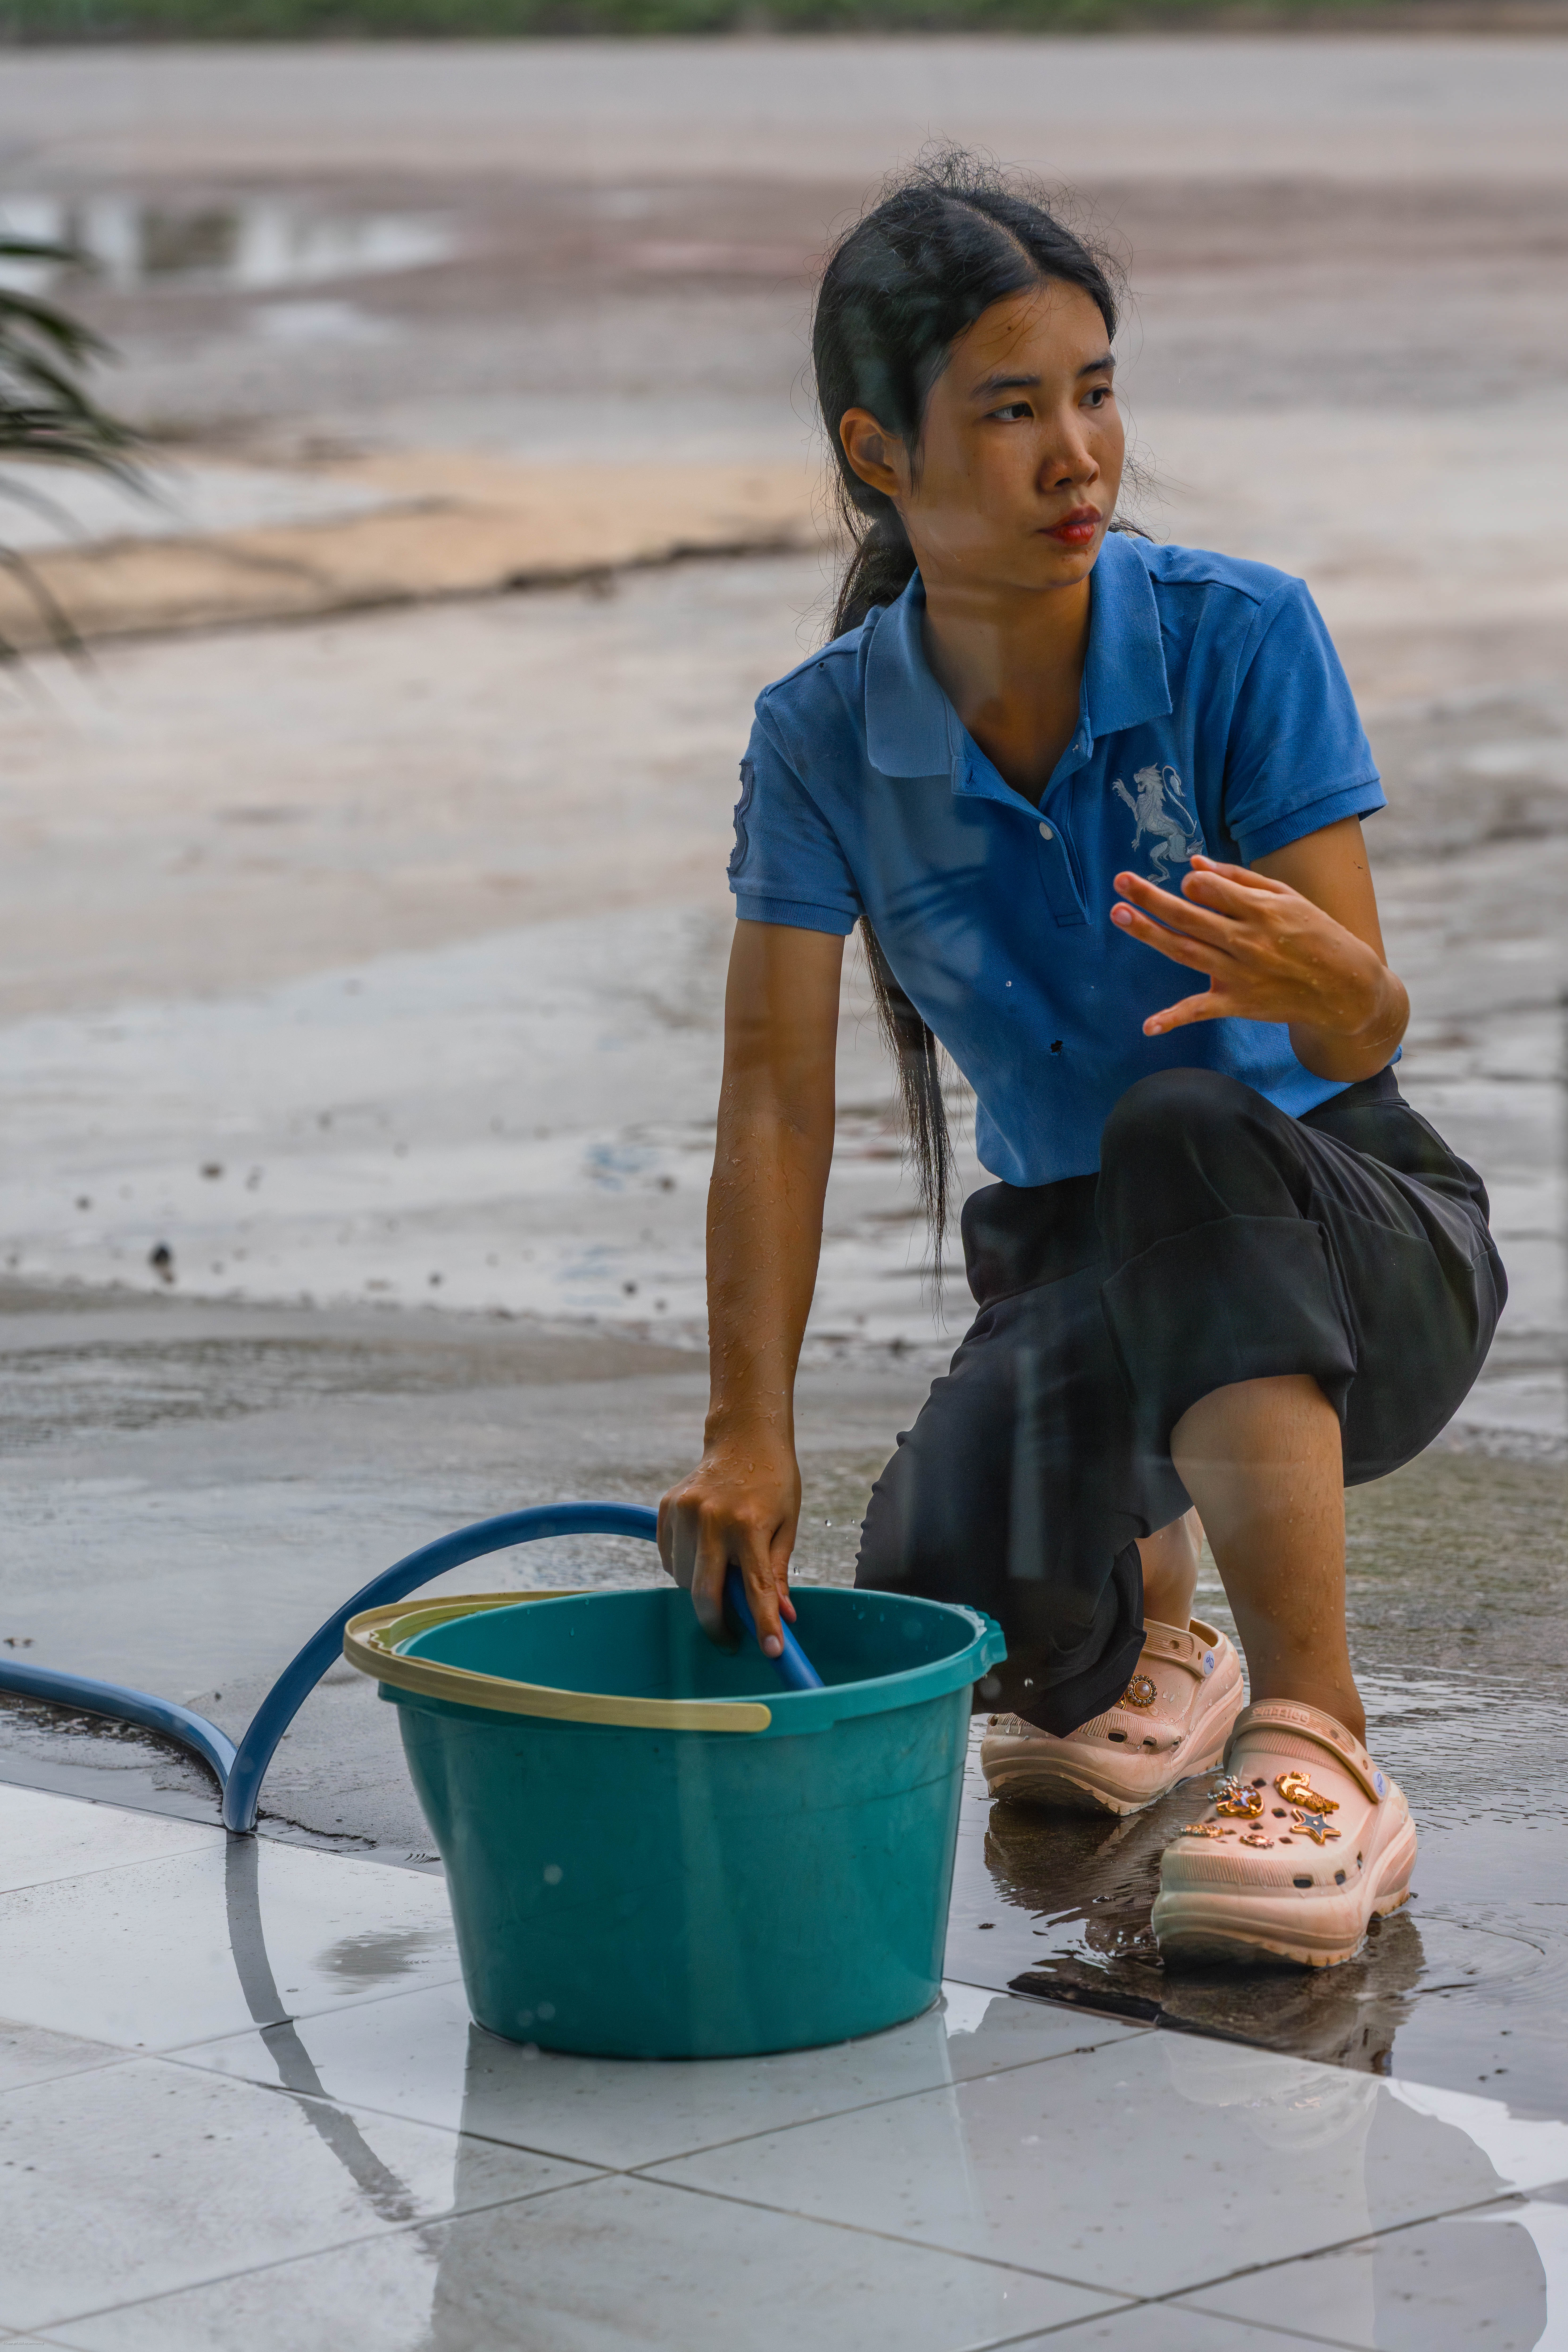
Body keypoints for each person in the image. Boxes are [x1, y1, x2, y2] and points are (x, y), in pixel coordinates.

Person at [658, 153, 1503, 1970]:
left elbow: (1362, 1033)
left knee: (1185, 1124)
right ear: (878, 450)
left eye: (1097, 393)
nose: (1079, 459)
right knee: (949, 1600)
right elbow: (777, 1099)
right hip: (1079, 1261)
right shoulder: (821, 739)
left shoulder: (1238, 633)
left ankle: (1319, 1743)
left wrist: (1335, 982)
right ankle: (1163, 1640)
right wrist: (746, 1434)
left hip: (1350, 1241)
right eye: (1013, 410)